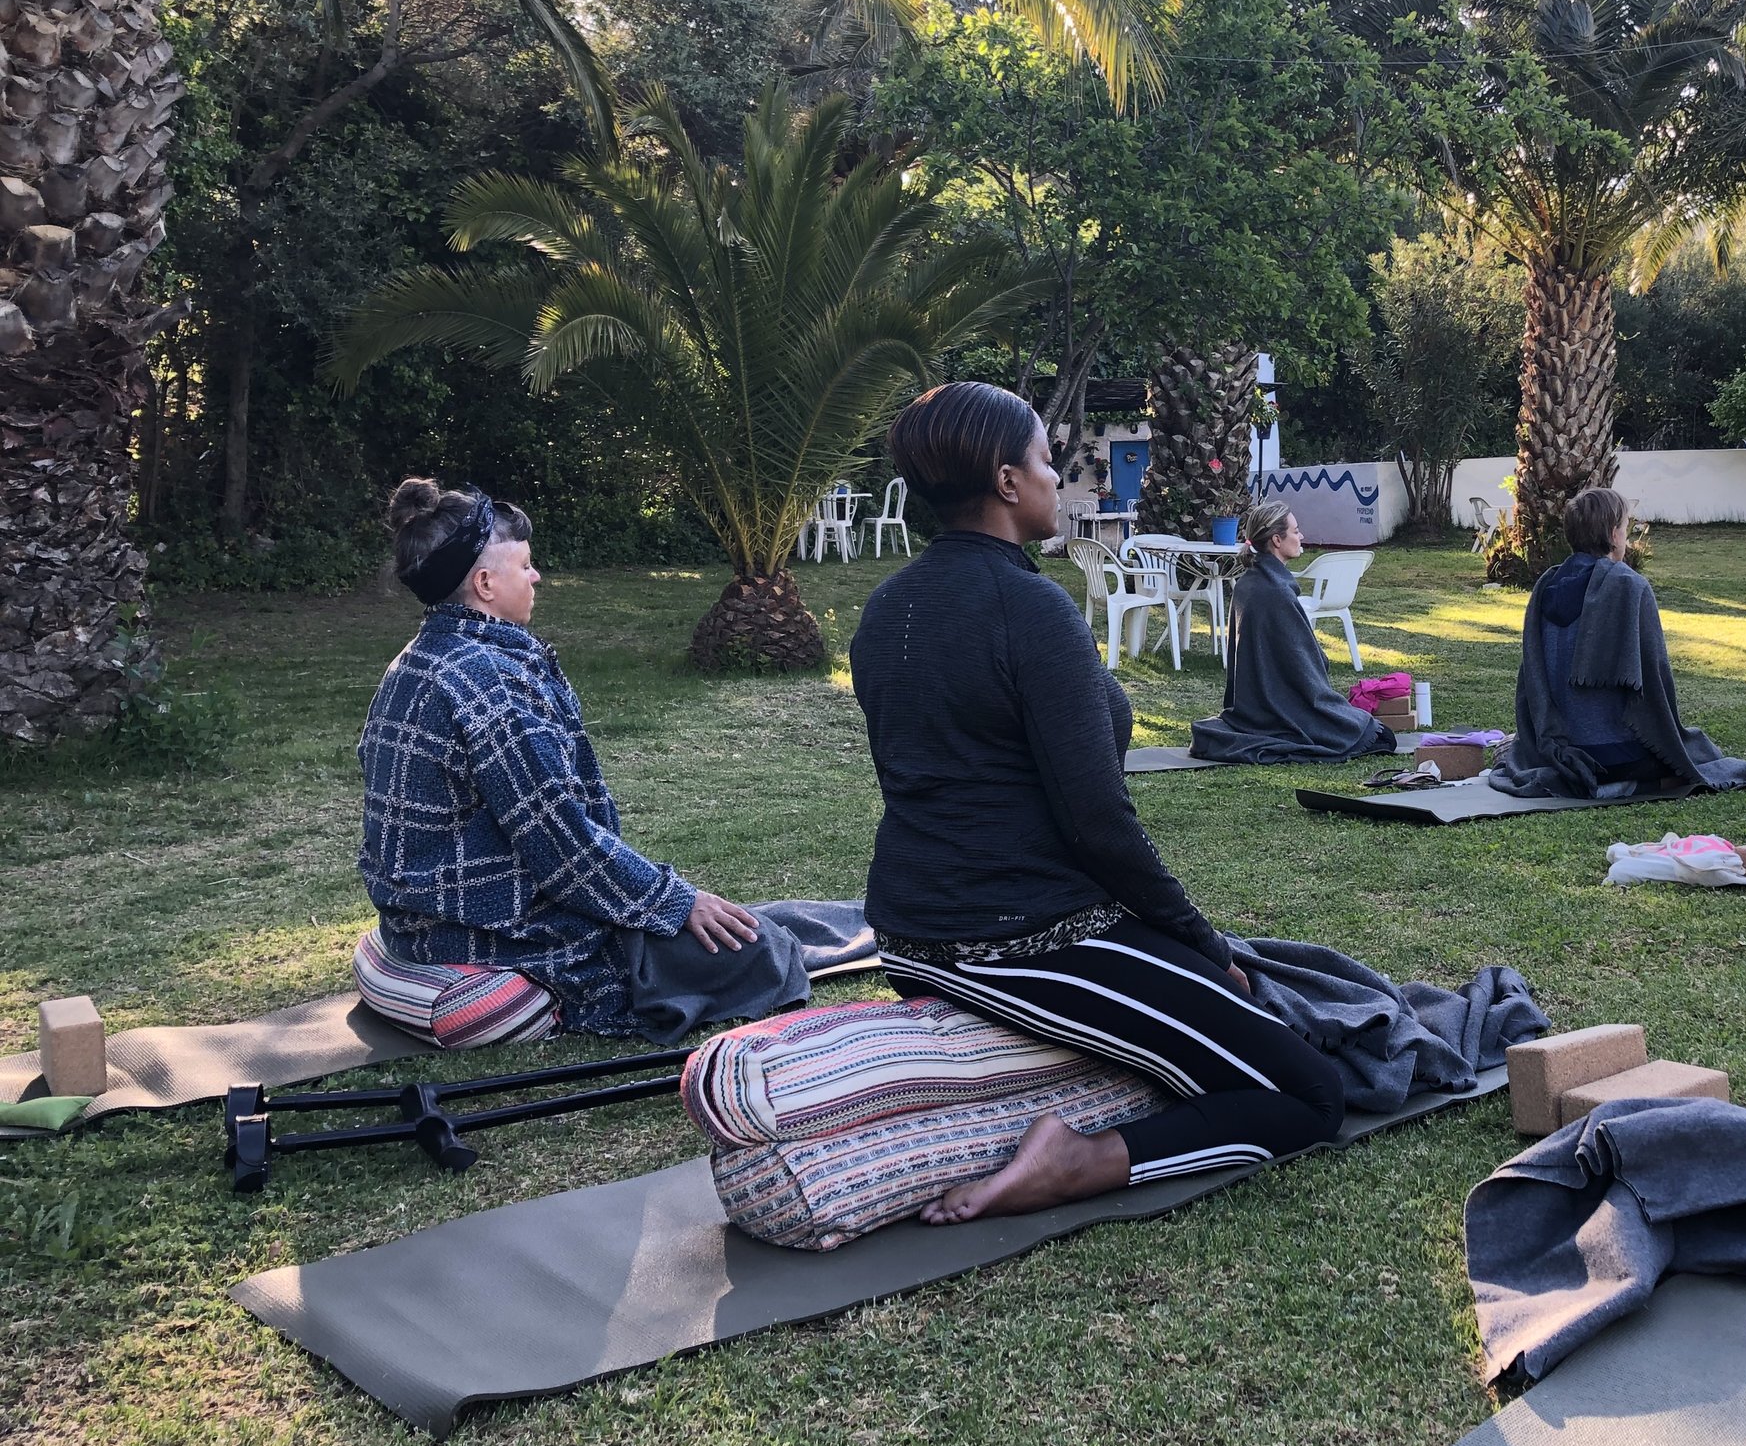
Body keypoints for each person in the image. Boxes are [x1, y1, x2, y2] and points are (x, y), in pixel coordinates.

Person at [849, 383, 1345, 1223]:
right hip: (1010, 939)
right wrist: (1201, 937)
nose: (1056, 482)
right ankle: (1079, 1162)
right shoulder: (1030, 608)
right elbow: (1099, 825)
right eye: (1047, 461)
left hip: (909, 929)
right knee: (1308, 1089)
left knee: (1224, 997)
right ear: (1007, 482)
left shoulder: (884, 608)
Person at [358, 479, 862, 1043]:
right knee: (758, 950)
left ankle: (846, 921)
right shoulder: (487, 682)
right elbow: (561, 845)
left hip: (417, 924)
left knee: (732, 926)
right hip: (485, 929)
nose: (535, 577)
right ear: (484, 584)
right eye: (525, 565)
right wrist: (675, 900)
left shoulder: (417, 660)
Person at [1489, 485, 1746, 798]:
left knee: (1514, 748)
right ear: (1612, 533)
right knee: (1696, 752)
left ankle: (1601, 782)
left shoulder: (1545, 587)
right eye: (1625, 526)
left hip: (1558, 751)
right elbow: (1654, 682)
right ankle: (1627, 786)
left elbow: (1531, 680)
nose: (1626, 534)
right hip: (1617, 758)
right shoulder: (1631, 586)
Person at [1187, 499, 1395, 764]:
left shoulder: (1249, 581)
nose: (1301, 536)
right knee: (1381, 737)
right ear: (1276, 539)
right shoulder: (1275, 592)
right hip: (1279, 709)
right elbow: (1305, 666)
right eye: (1295, 531)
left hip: (1252, 706)